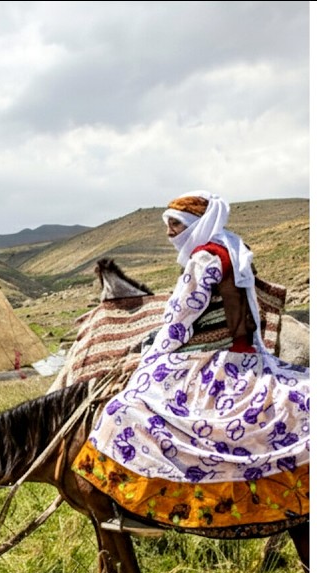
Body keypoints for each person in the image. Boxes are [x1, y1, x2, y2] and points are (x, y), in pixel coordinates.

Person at [73, 190, 309, 536]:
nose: (170, 233)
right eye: (168, 225)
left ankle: (139, 504)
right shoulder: (233, 249)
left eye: (176, 225)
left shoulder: (203, 260)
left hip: (215, 361)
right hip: (246, 355)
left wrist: (151, 356)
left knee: (125, 407)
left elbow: (178, 318)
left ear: (196, 225)